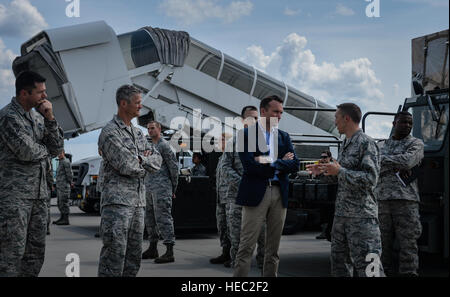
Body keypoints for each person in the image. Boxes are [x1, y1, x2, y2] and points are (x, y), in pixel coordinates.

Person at [308, 103, 384, 277]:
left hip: (362, 218)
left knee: (370, 270)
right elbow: (342, 175)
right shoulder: (346, 143)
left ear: (346, 118)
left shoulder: (367, 143)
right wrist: (323, 171)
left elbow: (370, 179)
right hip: (342, 216)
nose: (335, 122)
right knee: (339, 265)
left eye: (336, 118)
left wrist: (339, 171)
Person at [0, 70, 64, 277]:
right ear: (24, 94)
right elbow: (27, 152)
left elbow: (56, 148)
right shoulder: (8, 117)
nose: (45, 96)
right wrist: (45, 151)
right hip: (14, 199)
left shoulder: (39, 117)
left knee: (35, 254)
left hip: (39, 197)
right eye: (40, 92)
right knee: (10, 255)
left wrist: (51, 118)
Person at [97, 85, 162, 277]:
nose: (141, 106)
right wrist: (143, 160)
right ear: (124, 104)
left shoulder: (138, 133)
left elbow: (157, 160)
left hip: (138, 204)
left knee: (133, 258)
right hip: (117, 204)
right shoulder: (110, 133)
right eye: (138, 102)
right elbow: (127, 165)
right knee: (114, 257)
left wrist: (141, 159)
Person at [233, 95, 300, 277]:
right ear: (263, 111)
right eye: (275, 111)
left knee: (273, 250)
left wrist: (268, 161)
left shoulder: (284, 137)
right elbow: (249, 165)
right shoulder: (245, 135)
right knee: (246, 247)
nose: (279, 116)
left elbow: (295, 164)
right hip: (256, 192)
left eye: (281, 112)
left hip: (280, 193)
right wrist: (280, 162)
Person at [375, 111, 424, 276]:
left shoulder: (416, 144)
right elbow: (373, 164)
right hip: (382, 199)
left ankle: (408, 273)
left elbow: (409, 161)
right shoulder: (381, 145)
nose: (407, 126)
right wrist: (397, 162)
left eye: (410, 123)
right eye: (403, 122)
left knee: (408, 243)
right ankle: (381, 272)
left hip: (406, 201)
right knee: (380, 242)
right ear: (394, 124)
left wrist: (386, 160)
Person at [222, 106, 266, 269]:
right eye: (249, 118)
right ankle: (238, 267)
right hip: (237, 197)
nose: (253, 121)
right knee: (237, 237)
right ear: (242, 121)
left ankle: (264, 266)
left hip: (261, 197)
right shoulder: (232, 142)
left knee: (264, 237)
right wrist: (243, 183)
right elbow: (225, 167)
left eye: (256, 118)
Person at [142, 121, 179, 264]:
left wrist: (173, 188)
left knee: (163, 218)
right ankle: (153, 248)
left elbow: (173, 168)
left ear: (159, 129)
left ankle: (169, 251)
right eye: (148, 129)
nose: (150, 131)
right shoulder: (150, 146)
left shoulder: (164, 146)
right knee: (150, 219)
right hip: (149, 188)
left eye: (152, 128)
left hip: (162, 188)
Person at [210, 133, 233, 266]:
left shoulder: (233, 157)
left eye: (223, 140)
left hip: (230, 198)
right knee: (222, 227)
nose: (220, 142)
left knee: (232, 229)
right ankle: (225, 252)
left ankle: (234, 255)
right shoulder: (221, 158)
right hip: (221, 199)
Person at [315, 150, 334, 240]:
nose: (323, 159)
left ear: (329, 157)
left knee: (330, 214)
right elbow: (315, 177)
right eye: (322, 157)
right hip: (322, 192)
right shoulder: (320, 166)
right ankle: (324, 231)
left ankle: (328, 232)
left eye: (325, 157)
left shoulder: (333, 166)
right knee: (322, 213)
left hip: (331, 191)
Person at [53, 150, 73, 225]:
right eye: (58, 153)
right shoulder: (60, 162)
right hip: (60, 186)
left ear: (63, 153)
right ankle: (62, 217)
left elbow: (69, 174)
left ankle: (65, 219)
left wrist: (70, 182)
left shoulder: (65, 162)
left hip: (64, 186)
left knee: (64, 202)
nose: (59, 155)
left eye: (60, 153)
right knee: (60, 202)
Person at [45, 157, 55, 235]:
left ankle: (46, 228)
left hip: (41, 188)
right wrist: (51, 185)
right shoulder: (47, 158)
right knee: (46, 208)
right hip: (45, 188)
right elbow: (49, 173)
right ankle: (46, 228)